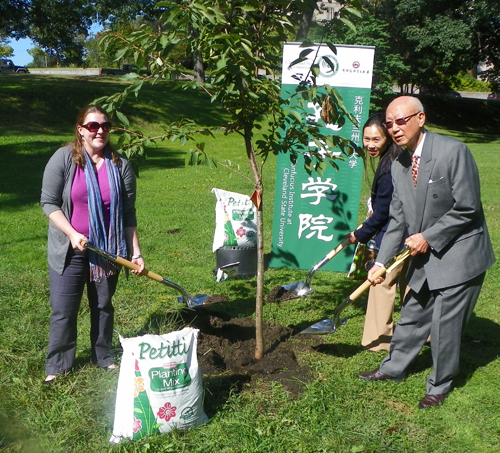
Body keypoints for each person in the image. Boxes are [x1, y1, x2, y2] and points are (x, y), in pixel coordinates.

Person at [358, 96, 495, 409]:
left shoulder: (452, 151)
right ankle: (392, 369)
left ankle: (439, 385)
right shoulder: (399, 164)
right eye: (389, 123)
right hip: (425, 253)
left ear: (421, 118)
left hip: (460, 253)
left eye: (401, 121)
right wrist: (381, 262)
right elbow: (397, 220)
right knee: (412, 315)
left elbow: (468, 207)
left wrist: (429, 237)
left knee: (445, 326)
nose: (394, 128)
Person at [40, 105, 145, 384]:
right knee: (64, 309)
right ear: (80, 130)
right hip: (70, 249)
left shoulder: (120, 165)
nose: (100, 130)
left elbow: (128, 213)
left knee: (103, 305)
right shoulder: (64, 158)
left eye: (105, 126)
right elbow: (48, 202)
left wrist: (135, 252)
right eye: (93, 126)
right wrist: (72, 233)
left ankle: (103, 355)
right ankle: (59, 364)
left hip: (107, 251)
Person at [346, 113, 405, 352]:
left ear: (388, 138)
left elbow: (383, 213)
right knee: (407, 283)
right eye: (366, 139)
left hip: (400, 231)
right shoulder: (392, 157)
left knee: (381, 278)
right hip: (398, 228)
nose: (370, 144)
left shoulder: (392, 165)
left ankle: (379, 341)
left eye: (376, 140)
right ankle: (423, 334)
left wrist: (357, 235)